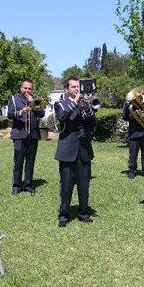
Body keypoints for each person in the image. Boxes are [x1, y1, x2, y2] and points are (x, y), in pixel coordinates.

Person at [55, 77, 96, 227]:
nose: (77, 89)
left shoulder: (84, 103)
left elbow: (93, 124)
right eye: (73, 87)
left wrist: (89, 110)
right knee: (66, 185)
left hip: (84, 150)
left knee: (84, 185)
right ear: (67, 89)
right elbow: (62, 117)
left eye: (78, 87)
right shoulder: (60, 103)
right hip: (67, 150)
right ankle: (64, 215)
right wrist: (75, 102)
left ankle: (83, 212)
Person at [7, 80, 45, 195]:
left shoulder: (35, 100)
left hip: (33, 135)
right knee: (18, 160)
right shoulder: (14, 98)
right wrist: (21, 112)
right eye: (25, 88)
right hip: (19, 134)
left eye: (29, 88)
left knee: (30, 160)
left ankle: (28, 184)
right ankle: (16, 185)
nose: (27, 90)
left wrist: (33, 102)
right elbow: (9, 114)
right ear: (21, 88)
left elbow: (42, 114)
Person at [122, 97, 144, 179]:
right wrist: (133, 115)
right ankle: (132, 171)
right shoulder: (128, 105)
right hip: (134, 133)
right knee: (133, 154)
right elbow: (124, 117)